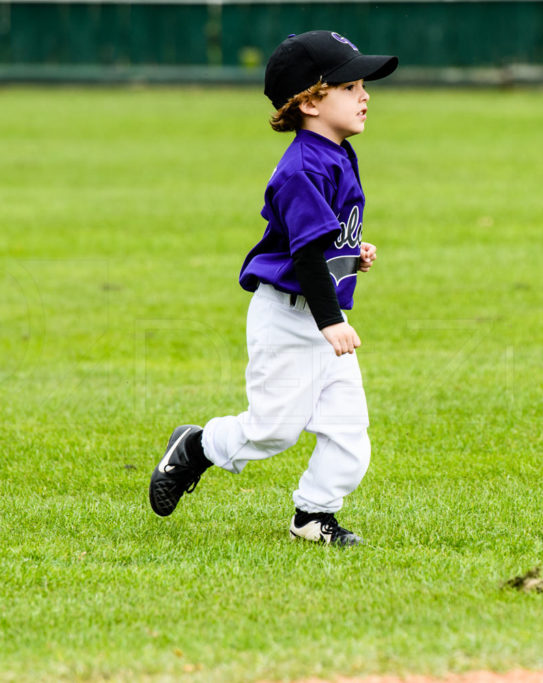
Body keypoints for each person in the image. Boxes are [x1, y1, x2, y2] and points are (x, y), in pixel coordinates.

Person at [148, 31, 398, 547]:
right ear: (309, 101)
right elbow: (305, 255)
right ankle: (196, 447)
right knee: (273, 430)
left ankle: (314, 515)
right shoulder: (303, 167)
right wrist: (331, 320)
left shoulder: (336, 152)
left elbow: (319, 240)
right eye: (349, 86)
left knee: (349, 430)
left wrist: (352, 252)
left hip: (319, 313)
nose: (365, 94)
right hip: (291, 317)